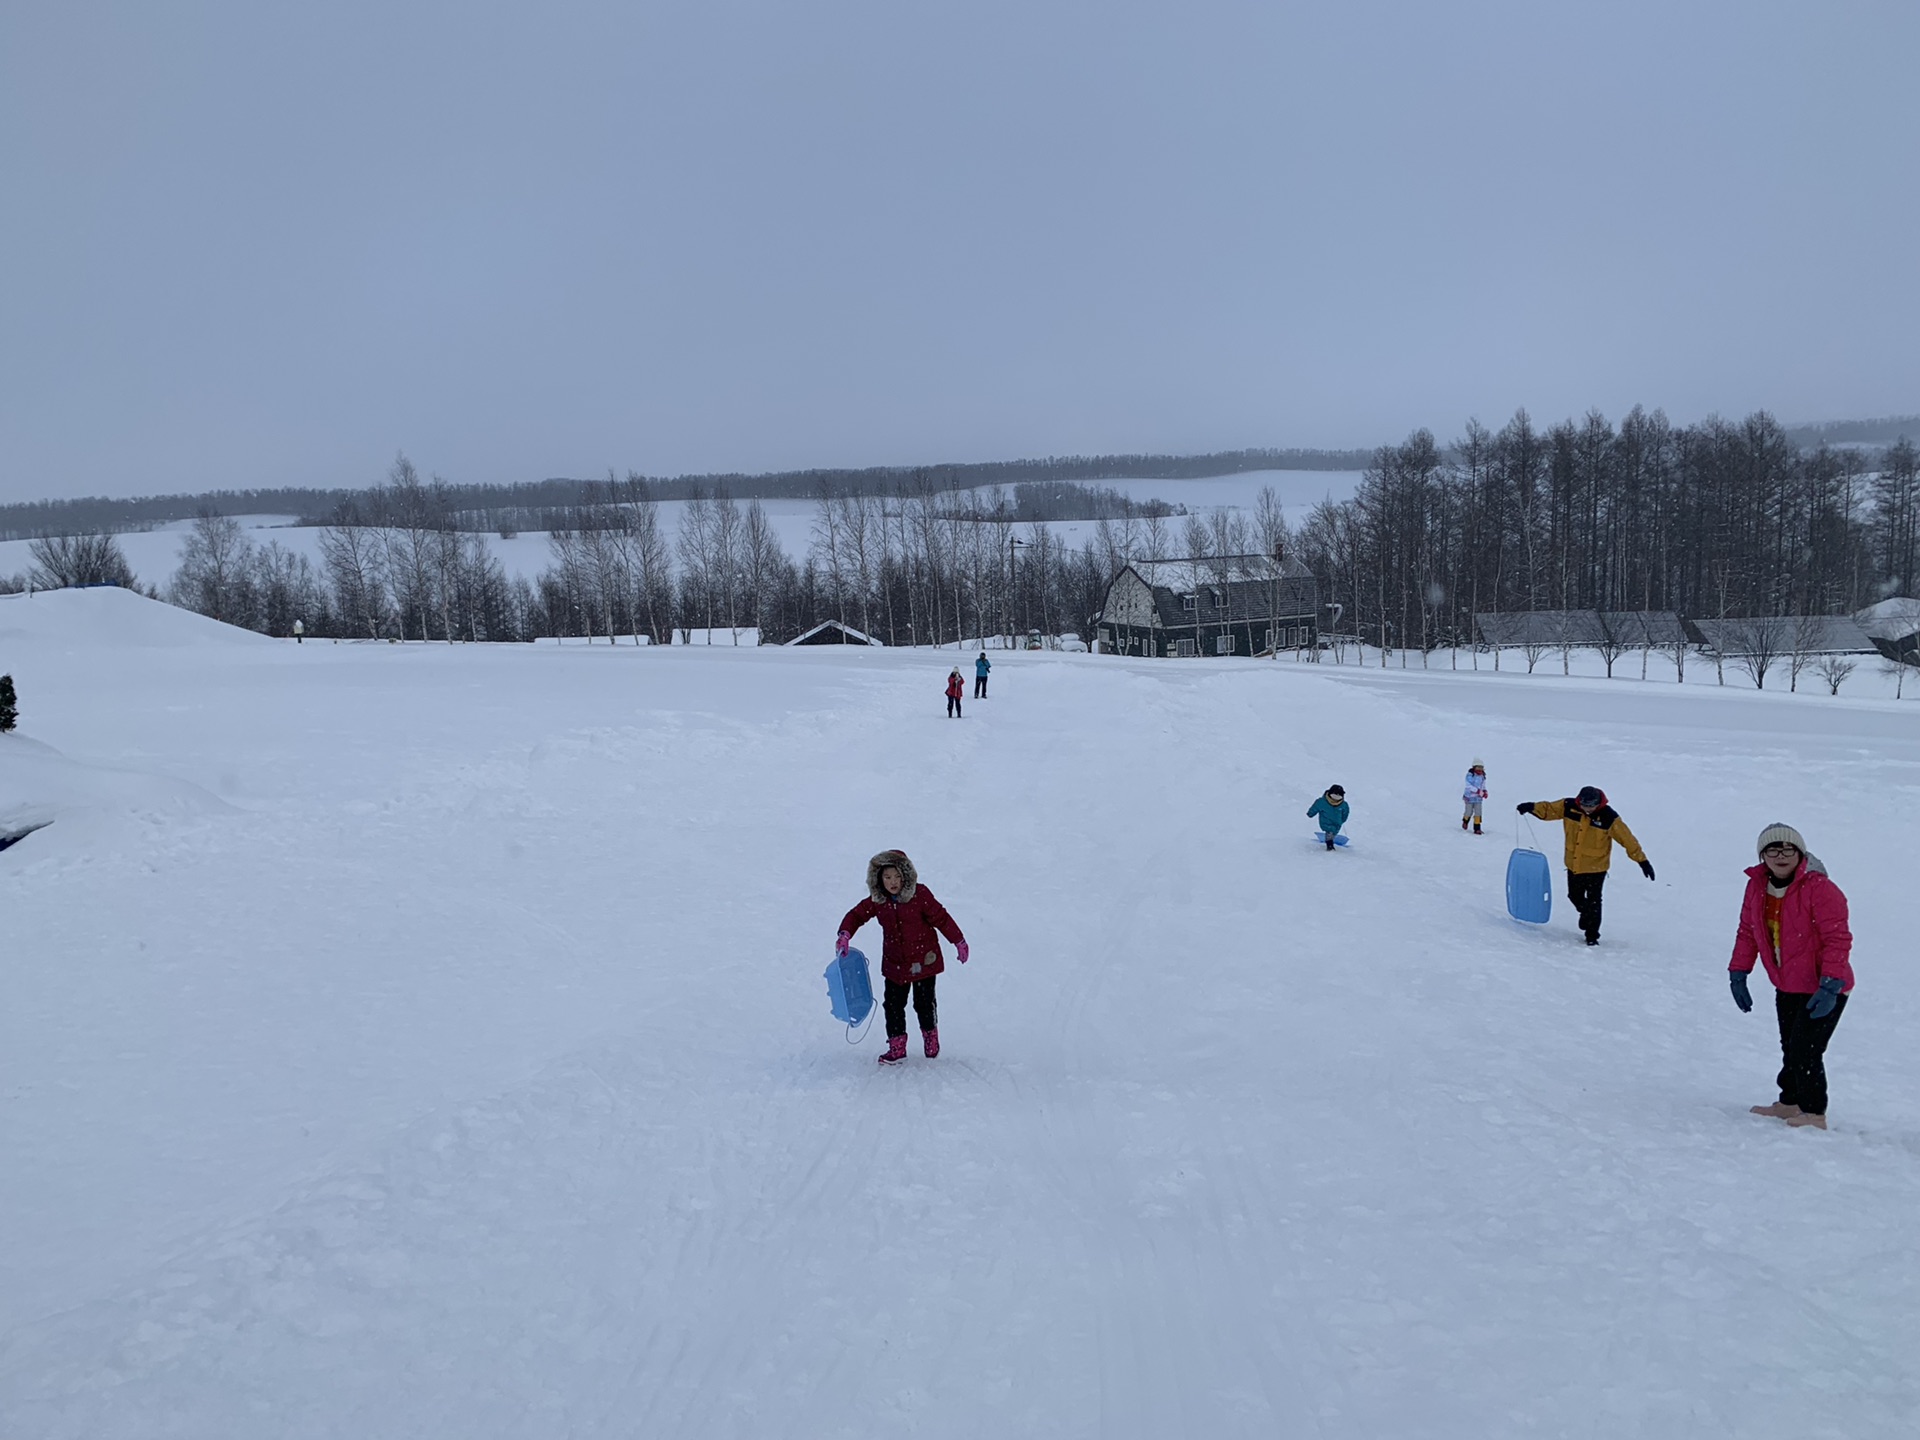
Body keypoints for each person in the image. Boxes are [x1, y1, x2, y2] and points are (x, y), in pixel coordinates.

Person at [1728, 823, 1853, 1130]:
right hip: (1787, 983)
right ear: (1762, 856)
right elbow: (1748, 931)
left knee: (1805, 1050)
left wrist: (1830, 984)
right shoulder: (1756, 887)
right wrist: (1739, 972)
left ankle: (1813, 1112)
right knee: (1790, 1046)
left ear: (1800, 853)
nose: (1780, 856)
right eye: (1773, 849)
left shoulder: (1820, 888)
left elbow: (1837, 938)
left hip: (1825, 986)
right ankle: (1790, 1102)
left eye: (1788, 849)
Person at [837, 850, 968, 1064]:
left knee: (924, 1003)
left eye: (897, 876)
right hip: (895, 964)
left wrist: (958, 940)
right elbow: (857, 915)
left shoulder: (920, 895)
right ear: (879, 879)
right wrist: (845, 934)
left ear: (905, 875)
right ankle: (897, 1047)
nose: (893, 882)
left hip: (924, 961)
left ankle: (931, 1039)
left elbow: (941, 918)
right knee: (893, 1005)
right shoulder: (878, 901)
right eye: (887, 877)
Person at [1516, 785, 1653, 945]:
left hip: (1597, 867)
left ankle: (1592, 935)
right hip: (1574, 864)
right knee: (1574, 896)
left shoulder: (1608, 817)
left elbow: (1627, 839)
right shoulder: (1569, 806)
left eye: (1591, 806)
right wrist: (1531, 807)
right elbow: (1549, 810)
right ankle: (1586, 914)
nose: (1587, 809)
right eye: (1584, 806)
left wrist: (1642, 861)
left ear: (1598, 804)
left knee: (1594, 900)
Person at [1307, 784, 1349, 850]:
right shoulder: (1322, 802)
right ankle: (1330, 846)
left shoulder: (1343, 805)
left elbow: (1345, 813)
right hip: (1325, 822)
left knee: (1333, 832)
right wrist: (1310, 814)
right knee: (1330, 832)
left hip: (1337, 824)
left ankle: (1330, 841)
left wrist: (1342, 820)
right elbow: (1315, 808)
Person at [1461, 759, 1487, 834]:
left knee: (1478, 812)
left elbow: (1483, 785)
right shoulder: (1470, 775)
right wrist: (1477, 791)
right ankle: (1465, 820)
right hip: (1469, 797)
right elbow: (1468, 785)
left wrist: (1485, 791)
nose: (1480, 769)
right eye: (1478, 767)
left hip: (1478, 798)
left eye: (1481, 768)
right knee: (1469, 812)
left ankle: (1477, 828)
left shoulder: (1483, 776)